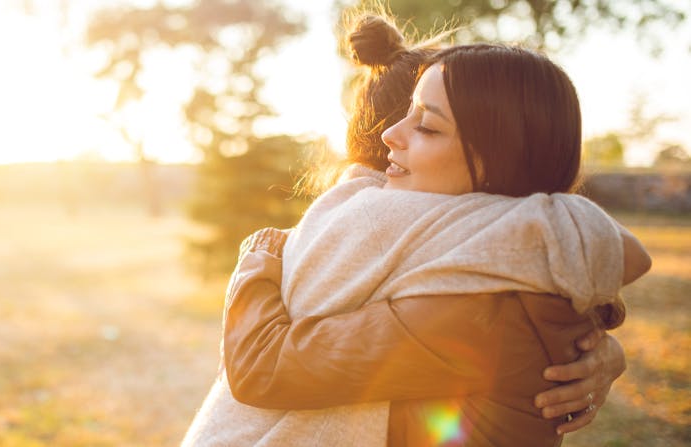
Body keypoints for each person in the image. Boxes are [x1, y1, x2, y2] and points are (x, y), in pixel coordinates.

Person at [183, 14, 640, 447]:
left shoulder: (483, 311)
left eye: (427, 126)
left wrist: (261, 252)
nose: (390, 139)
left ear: (498, 156)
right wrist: (603, 338)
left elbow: (265, 367)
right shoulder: (488, 268)